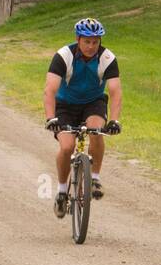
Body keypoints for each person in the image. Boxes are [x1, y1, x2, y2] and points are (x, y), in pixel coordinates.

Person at [44, 18, 122, 217]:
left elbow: (115, 91)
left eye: (95, 42)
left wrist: (114, 121)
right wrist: (51, 118)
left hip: (93, 103)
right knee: (67, 146)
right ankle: (62, 192)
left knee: (97, 132)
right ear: (78, 39)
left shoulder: (107, 58)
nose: (91, 46)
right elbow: (50, 90)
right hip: (65, 106)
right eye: (87, 41)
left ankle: (94, 178)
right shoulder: (63, 56)